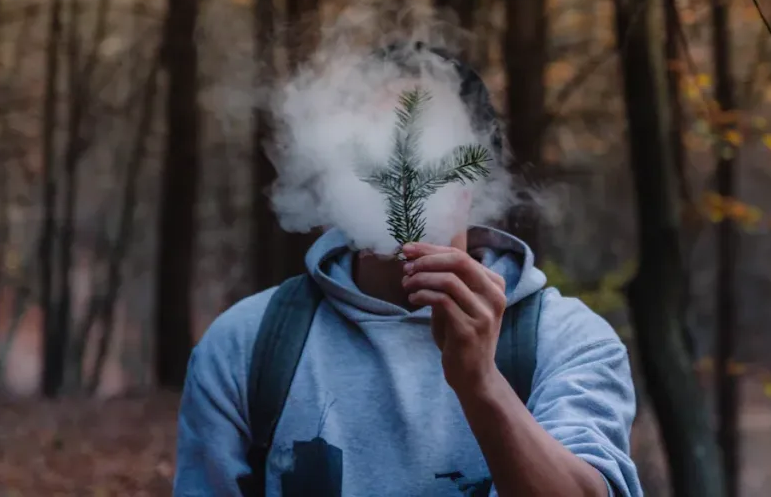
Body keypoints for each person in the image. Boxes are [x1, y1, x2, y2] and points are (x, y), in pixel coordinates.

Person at [173, 45, 645, 497]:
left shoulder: (567, 340)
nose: (406, 171)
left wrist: (481, 383)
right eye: (378, 145)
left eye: (432, 147)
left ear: (476, 176)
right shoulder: (245, 345)